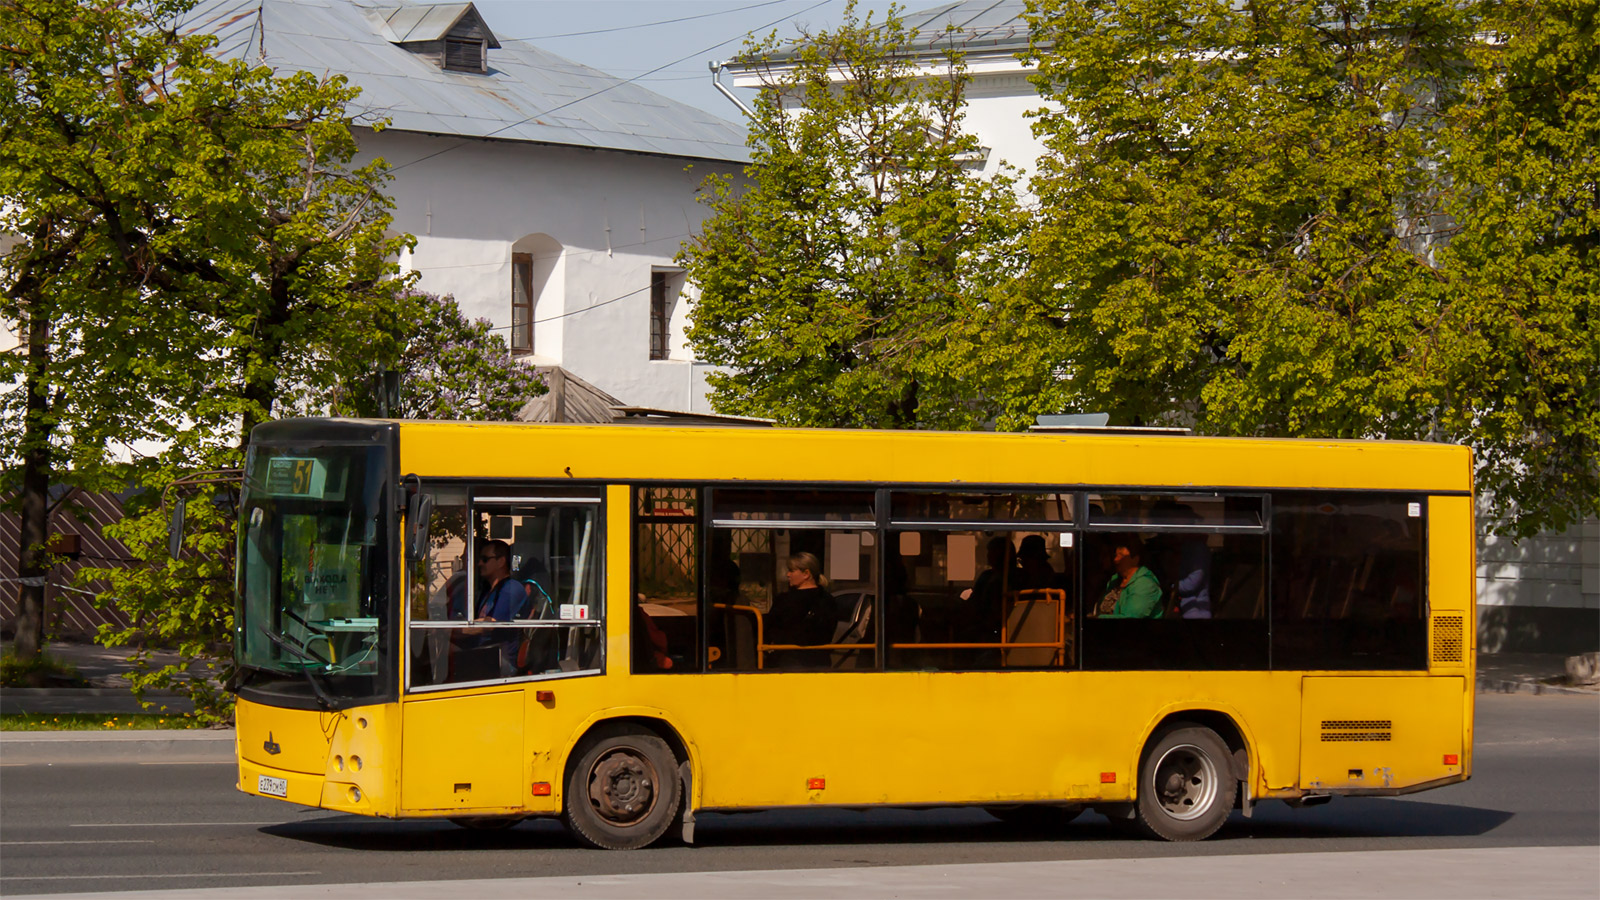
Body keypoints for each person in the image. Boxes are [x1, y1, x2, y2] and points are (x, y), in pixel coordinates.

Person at [766, 552, 837, 668]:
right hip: (820, 663)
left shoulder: (784, 600)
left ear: (806, 574)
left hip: (786, 662)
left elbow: (771, 629)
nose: (788, 574)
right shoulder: (828, 600)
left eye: (791, 571)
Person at [1097, 536, 1163, 619]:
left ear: (1135, 559)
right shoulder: (1115, 580)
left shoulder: (1146, 585)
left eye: (1121, 555)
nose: (1116, 560)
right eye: (1116, 555)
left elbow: (1131, 617)